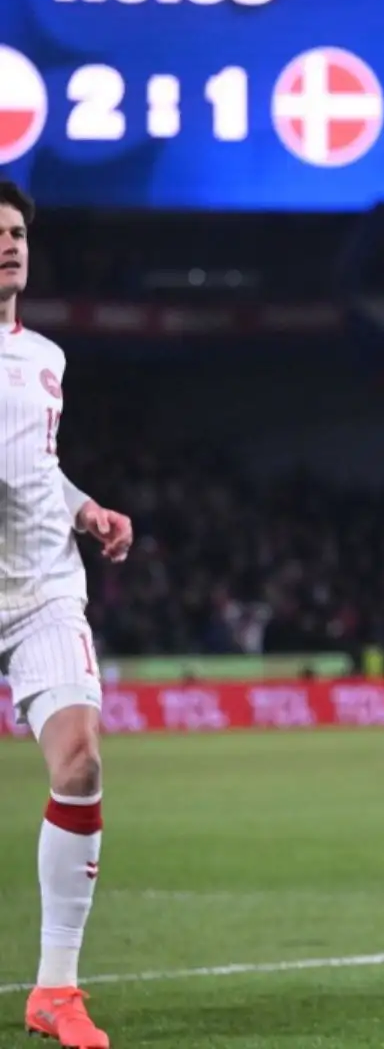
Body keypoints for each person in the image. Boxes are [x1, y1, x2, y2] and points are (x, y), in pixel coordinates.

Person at [0, 180, 134, 1049]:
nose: (8, 244)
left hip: (42, 586)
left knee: (79, 761)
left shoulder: (45, 357)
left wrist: (85, 506)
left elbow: (35, 464)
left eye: (14, 232)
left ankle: (56, 989)